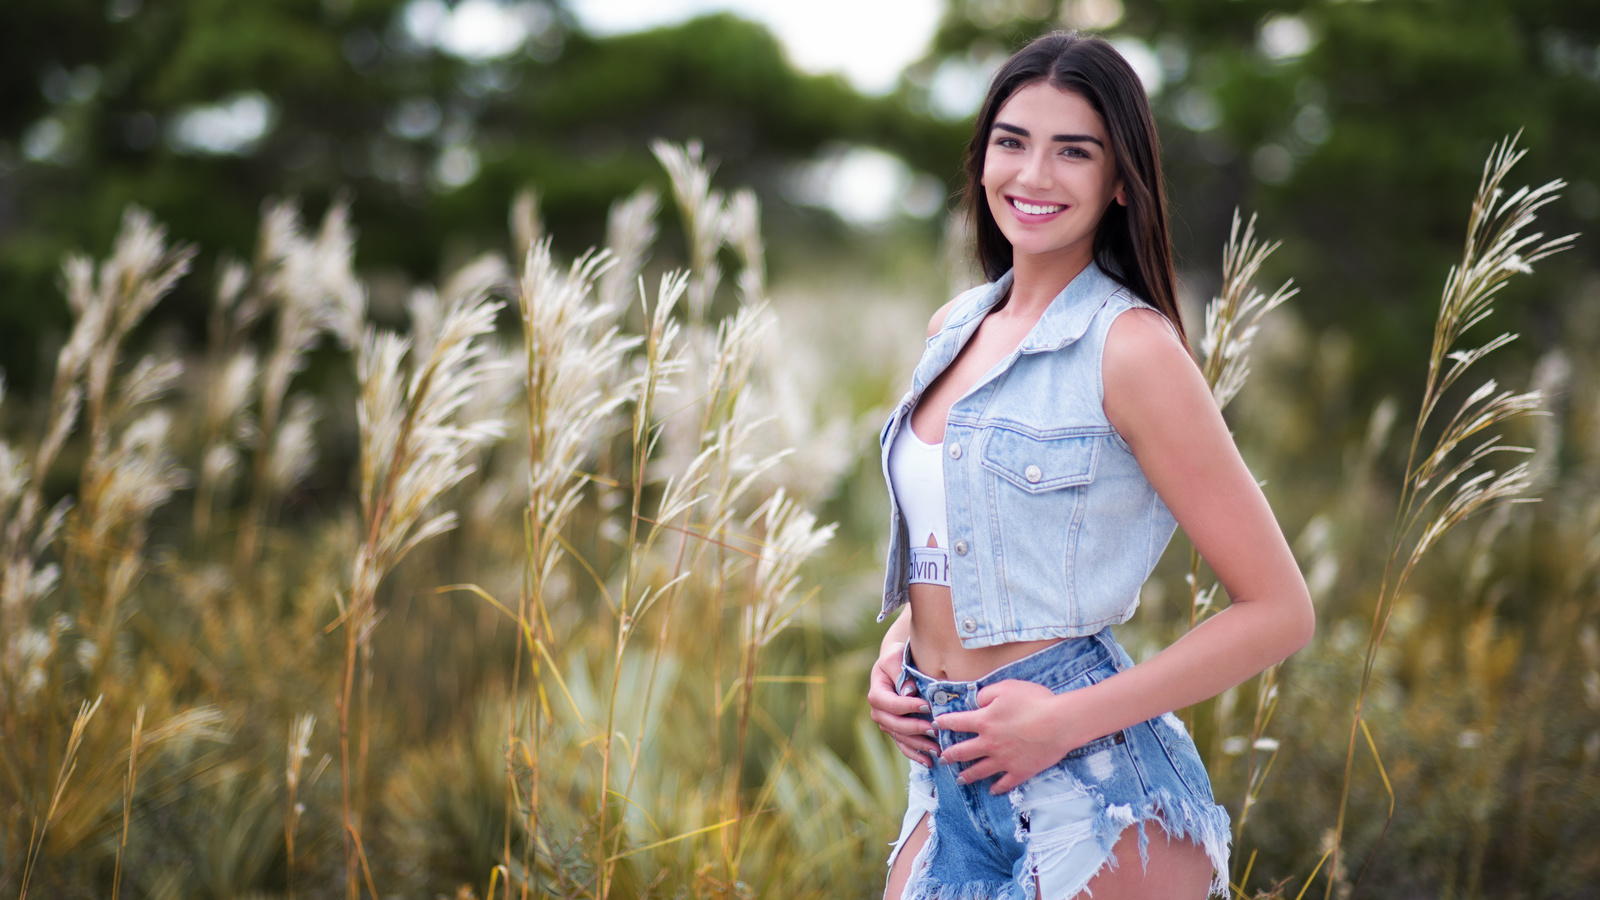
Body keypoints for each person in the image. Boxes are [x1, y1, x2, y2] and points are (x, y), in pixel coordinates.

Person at [866, 31, 1315, 900]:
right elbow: (966, 544)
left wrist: (1061, 722)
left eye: (1073, 151)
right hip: (950, 769)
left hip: (1094, 789)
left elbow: (1280, 611)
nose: (1033, 176)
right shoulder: (954, 327)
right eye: (1012, 141)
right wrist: (900, 651)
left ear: (1119, 182)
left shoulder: (1131, 348)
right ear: (983, 157)